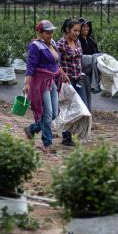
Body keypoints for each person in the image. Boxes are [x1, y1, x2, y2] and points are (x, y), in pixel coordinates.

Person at [23, 19, 69, 151]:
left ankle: (32, 128)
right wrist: (27, 84)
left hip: (52, 81)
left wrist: (62, 74)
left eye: (51, 32)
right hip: (41, 83)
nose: (50, 35)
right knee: (47, 113)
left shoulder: (53, 43)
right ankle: (47, 143)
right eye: (47, 32)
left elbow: (56, 63)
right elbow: (30, 66)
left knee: (54, 113)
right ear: (40, 33)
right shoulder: (35, 46)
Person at [57, 18, 89, 146]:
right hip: (67, 82)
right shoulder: (60, 44)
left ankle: (77, 132)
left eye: (78, 31)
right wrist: (63, 74)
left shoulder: (77, 42)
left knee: (81, 106)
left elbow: (79, 59)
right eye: (75, 30)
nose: (77, 33)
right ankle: (66, 137)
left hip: (78, 79)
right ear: (67, 30)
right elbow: (56, 63)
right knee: (68, 108)